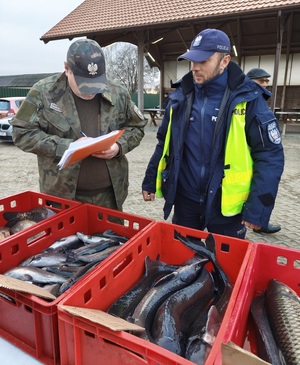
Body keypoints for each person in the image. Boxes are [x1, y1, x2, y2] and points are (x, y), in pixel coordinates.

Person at [142, 28, 284, 239]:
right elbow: (164, 142)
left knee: (226, 266)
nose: (195, 68)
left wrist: (258, 208)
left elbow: (269, 155)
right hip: (185, 200)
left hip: (226, 206)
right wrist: (150, 179)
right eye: (192, 61)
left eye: (204, 61)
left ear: (224, 61)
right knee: (184, 261)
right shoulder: (180, 96)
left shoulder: (249, 99)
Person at [11, 38, 146, 212]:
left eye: (96, 82)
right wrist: (67, 147)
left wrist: (119, 146)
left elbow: (137, 126)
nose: (90, 91)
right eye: (83, 84)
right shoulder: (44, 93)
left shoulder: (118, 91)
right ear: (67, 69)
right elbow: (21, 133)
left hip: (109, 197)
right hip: (62, 199)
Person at [246, 67, 281, 234]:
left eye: (267, 81)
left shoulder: (259, 100)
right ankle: (258, 220)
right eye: (261, 81)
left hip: (259, 163)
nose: (265, 84)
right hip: (247, 164)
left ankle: (261, 220)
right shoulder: (246, 102)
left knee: (265, 189)